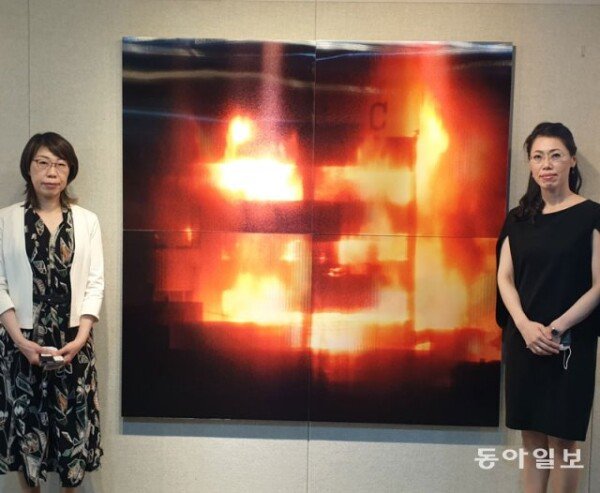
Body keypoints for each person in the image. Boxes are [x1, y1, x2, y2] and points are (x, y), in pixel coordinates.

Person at [496, 122, 600, 493]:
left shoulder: (592, 215)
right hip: (524, 341)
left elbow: (599, 285)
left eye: (556, 155)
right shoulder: (518, 218)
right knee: (531, 440)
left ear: (572, 160)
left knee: (564, 443)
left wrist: (556, 328)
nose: (547, 164)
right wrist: (525, 326)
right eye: (538, 156)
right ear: (530, 164)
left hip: (569, 345)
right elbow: (504, 278)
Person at [0, 132, 103, 492]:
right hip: (21, 343)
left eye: (60, 164)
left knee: (72, 431)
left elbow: (95, 284)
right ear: (28, 168)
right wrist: (20, 341)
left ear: (70, 171)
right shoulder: (6, 220)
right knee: (26, 433)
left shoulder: (87, 221)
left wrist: (81, 338)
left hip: (73, 343)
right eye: (42, 163)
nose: (51, 172)